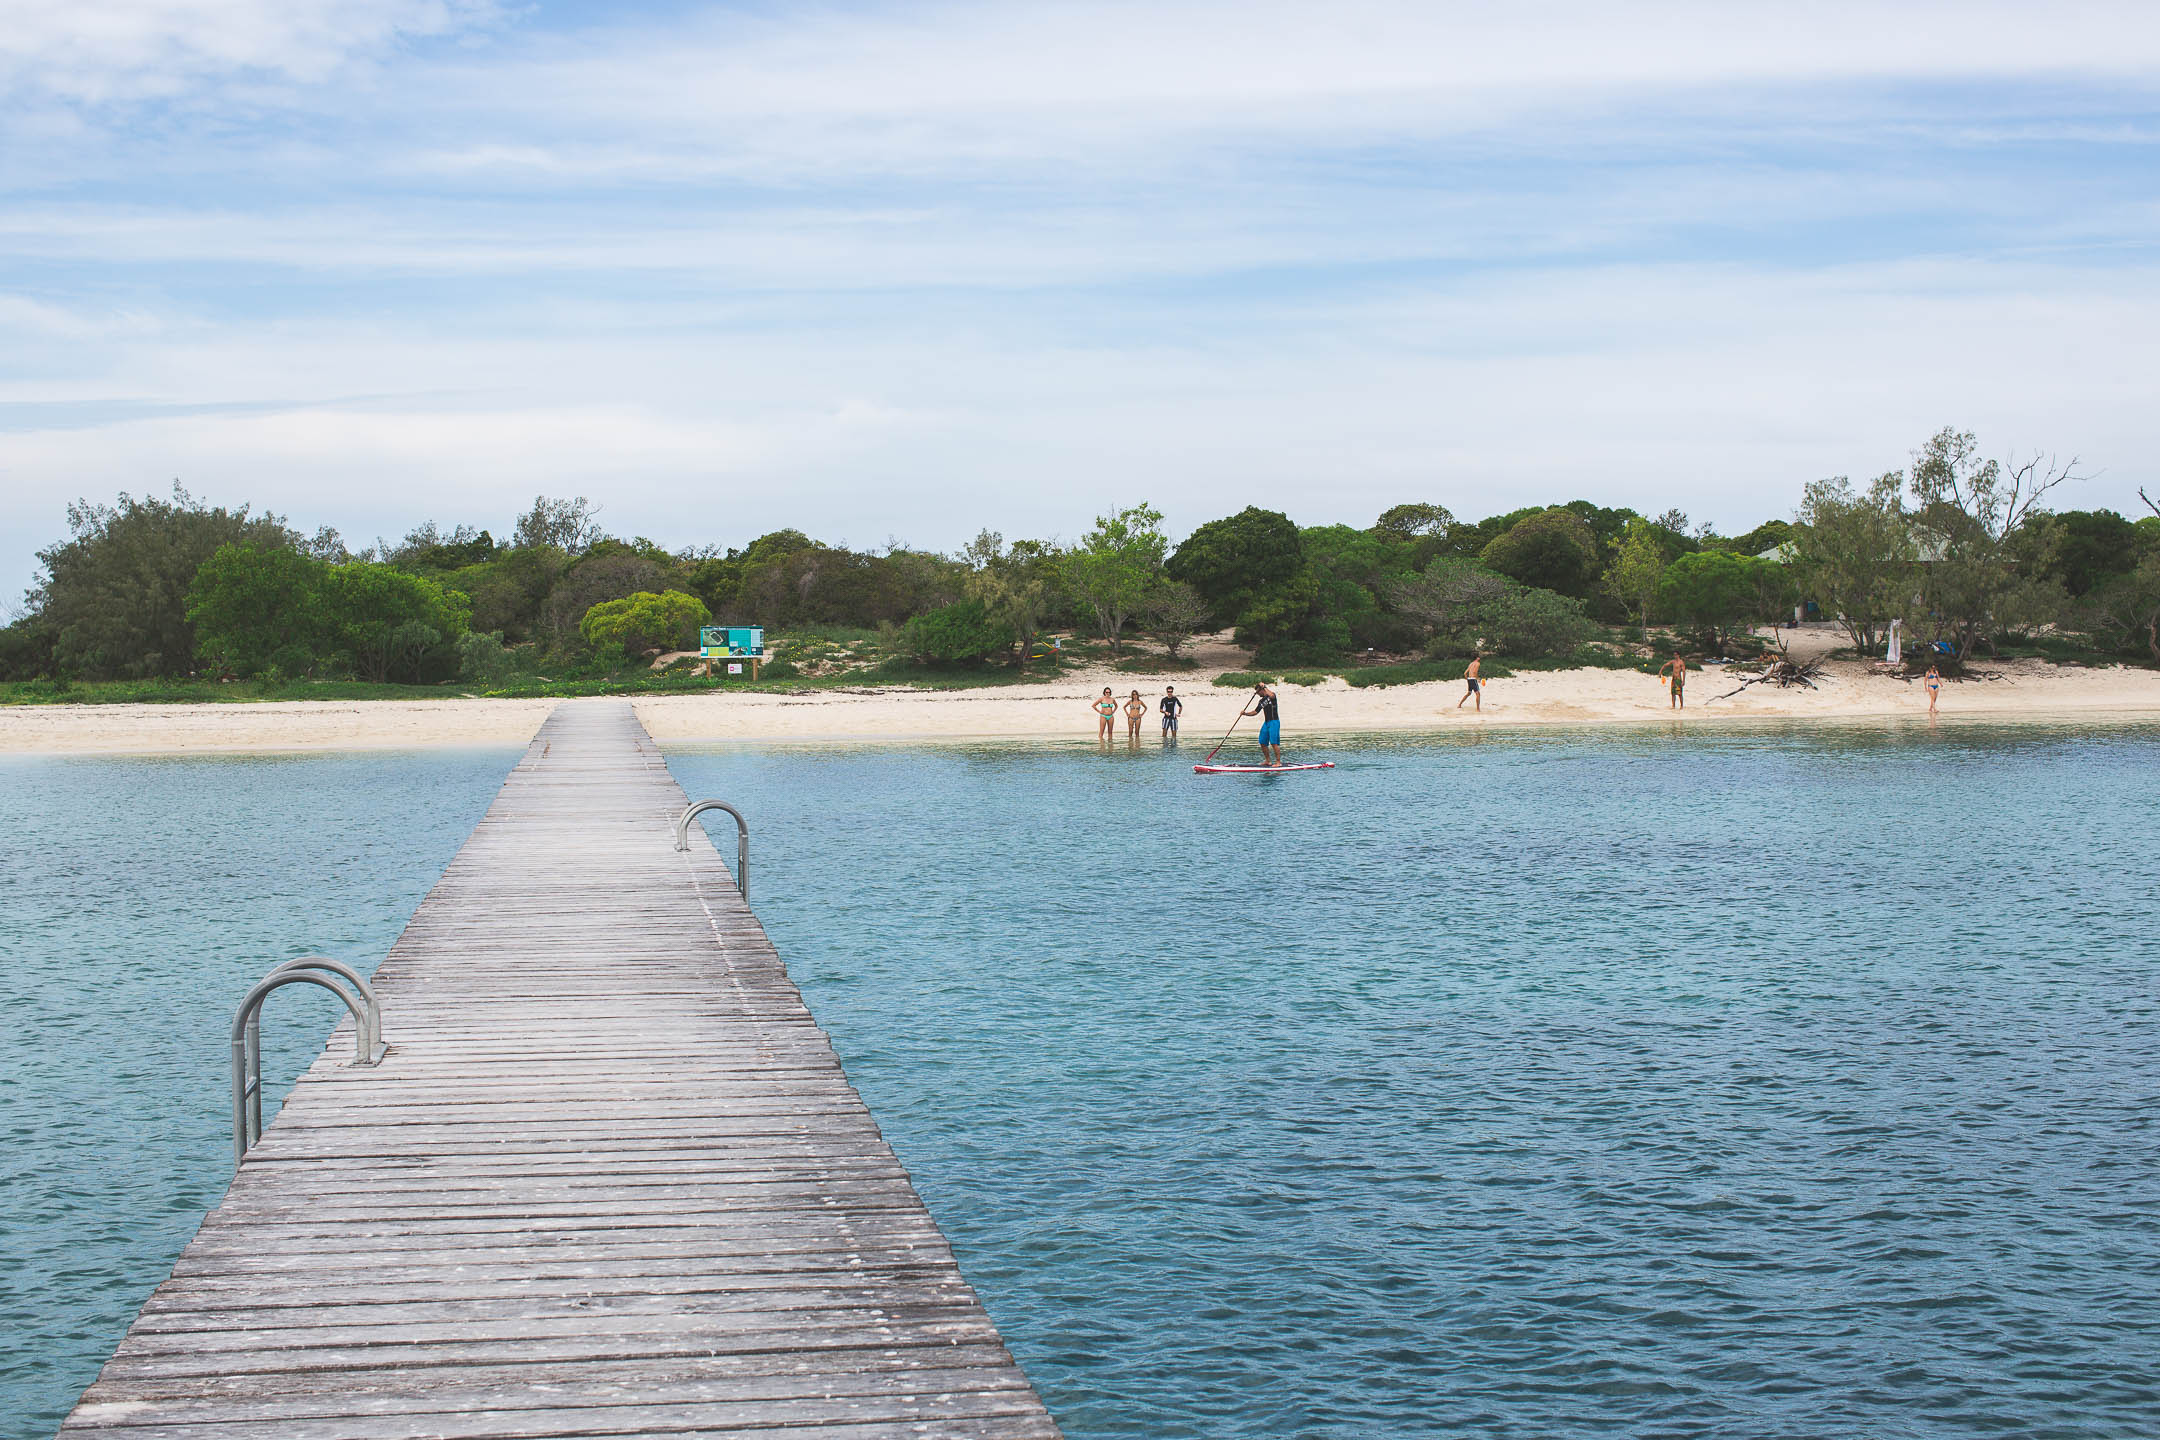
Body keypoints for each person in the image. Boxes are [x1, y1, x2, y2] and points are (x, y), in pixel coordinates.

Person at [1242, 681, 1283, 767]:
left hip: (1274, 722)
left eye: (1258, 692)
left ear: (1262, 690)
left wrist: (1264, 686)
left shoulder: (1272, 696)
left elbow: (1271, 695)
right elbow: (1255, 712)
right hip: (1266, 723)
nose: (1257, 694)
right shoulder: (1261, 701)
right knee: (1262, 742)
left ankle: (1278, 762)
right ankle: (1268, 761)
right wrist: (1245, 713)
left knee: (1273, 742)